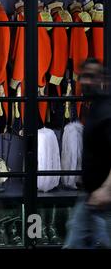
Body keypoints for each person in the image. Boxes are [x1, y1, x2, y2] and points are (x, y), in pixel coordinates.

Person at [64, 58, 111, 248]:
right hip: (91, 195)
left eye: (91, 77)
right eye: (83, 76)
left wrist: (106, 190)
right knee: (74, 241)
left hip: (104, 198)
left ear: (102, 79)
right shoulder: (95, 107)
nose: (86, 81)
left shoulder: (106, 111)